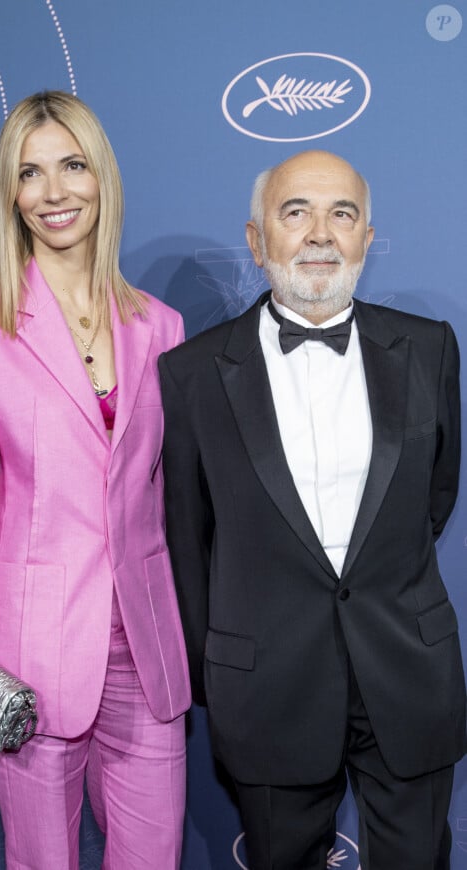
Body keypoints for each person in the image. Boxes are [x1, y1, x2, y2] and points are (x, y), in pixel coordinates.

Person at [158, 150, 466, 870]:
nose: (320, 234)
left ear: (366, 237)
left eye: (342, 214)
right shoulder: (192, 373)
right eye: (295, 212)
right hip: (267, 684)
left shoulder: (429, 351)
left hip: (408, 671)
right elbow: (187, 535)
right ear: (257, 238)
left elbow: (434, 496)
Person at [0, 90, 190, 870]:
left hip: (145, 643)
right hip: (32, 649)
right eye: (30, 174)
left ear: (103, 177)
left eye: (72, 166)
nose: (54, 192)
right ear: (10, 193)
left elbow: (167, 497)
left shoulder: (161, 327)